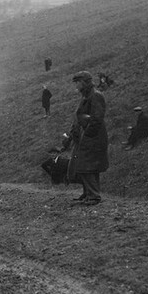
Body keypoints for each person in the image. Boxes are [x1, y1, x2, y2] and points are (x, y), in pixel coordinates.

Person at [63, 70, 109, 206]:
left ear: (84, 82)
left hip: (93, 137)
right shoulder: (86, 96)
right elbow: (81, 116)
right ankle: (87, 193)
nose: (76, 85)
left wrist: (87, 134)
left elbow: (97, 118)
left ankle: (93, 196)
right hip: (86, 135)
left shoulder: (95, 96)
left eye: (78, 82)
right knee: (84, 165)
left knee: (87, 165)